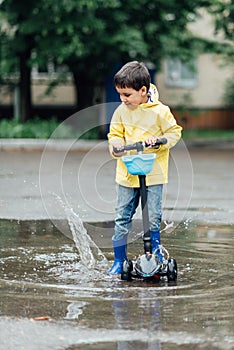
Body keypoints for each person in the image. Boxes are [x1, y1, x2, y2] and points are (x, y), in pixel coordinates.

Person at [107, 61, 182, 274]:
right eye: (120, 94)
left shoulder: (160, 111)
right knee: (122, 217)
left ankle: (155, 255)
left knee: (153, 216)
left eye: (127, 95)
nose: (123, 99)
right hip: (127, 174)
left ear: (143, 91)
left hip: (153, 173)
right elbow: (114, 136)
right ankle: (119, 261)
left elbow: (174, 133)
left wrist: (159, 140)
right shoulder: (121, 112)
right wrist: (117, 146)